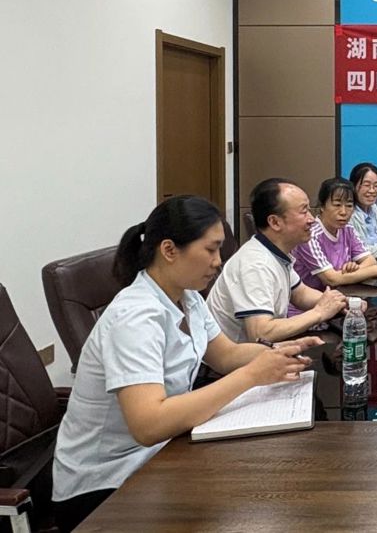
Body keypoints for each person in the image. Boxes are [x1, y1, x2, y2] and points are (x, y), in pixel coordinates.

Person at [52, 196, 323, 531]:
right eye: (210, 250)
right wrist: (253, 375)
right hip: (105, 485)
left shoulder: (188, 296)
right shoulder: (134, 317)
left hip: (162, 454)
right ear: (169, 250)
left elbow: (225, 354)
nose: (218, 262)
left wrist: (275, 353)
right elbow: (148, 424)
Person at [207, 178, 348, 343]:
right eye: (304, 211)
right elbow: (261, 333)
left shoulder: (275, 252)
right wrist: (319, 313)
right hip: (238, 357)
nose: (312, 219)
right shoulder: (256, 264)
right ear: (275, 222)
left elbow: (300, 294)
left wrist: (341, 302)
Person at [291, 177, 377, 289]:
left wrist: (355, 269)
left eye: (349, 206)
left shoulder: (347, 229)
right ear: (322, 206)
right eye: (337, 205)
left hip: (342, 293)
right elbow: (331, 279)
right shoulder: (310, 236)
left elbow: (370, 260)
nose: (343, 212)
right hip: (312, 299)